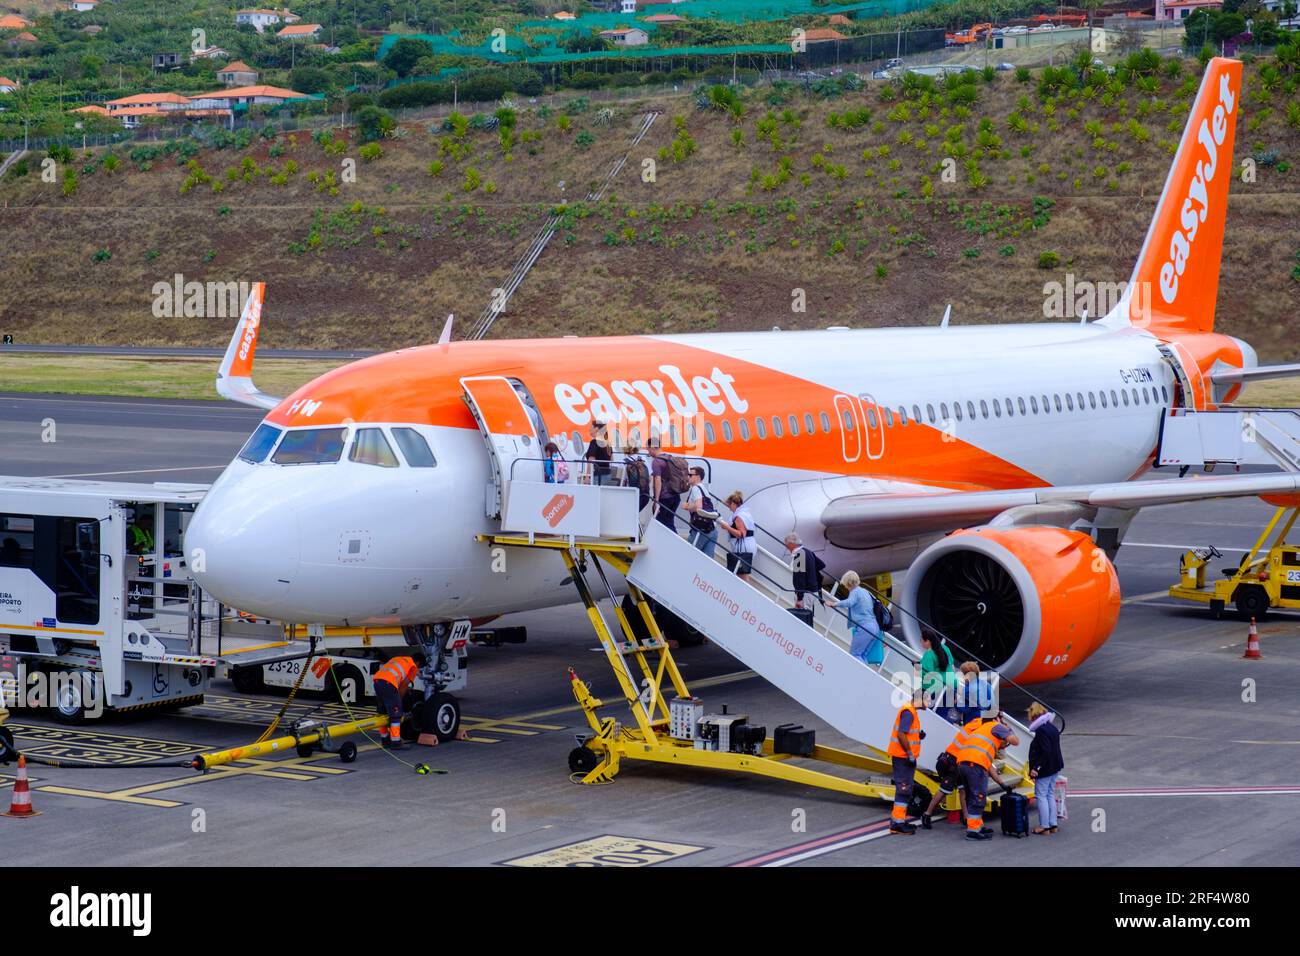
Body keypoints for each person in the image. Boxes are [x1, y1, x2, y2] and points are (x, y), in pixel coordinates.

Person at [954, 712, 1020, 841]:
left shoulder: (983, 730)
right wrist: (1008, 729)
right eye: (1001, 718)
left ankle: (977, 826)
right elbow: (1015, 741)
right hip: (974, 765)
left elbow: (989, 767)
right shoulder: (997, 726)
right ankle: (973, 831)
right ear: (996, 718)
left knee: (972, 797)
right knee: (978, 797)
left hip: (963, 763)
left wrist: (1002, 784)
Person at [887, 694, 926, 835]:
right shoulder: (909, 712)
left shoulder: (911, 711)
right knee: (903, 790)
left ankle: (898, 821)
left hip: (904, 757)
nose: (929, 703)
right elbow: (901, 734)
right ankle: (897, 824)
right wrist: (909, 753)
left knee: (905, 789)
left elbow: (907, 733)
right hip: (903, 757)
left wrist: (917, 736)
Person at [826, 571, 883, 667]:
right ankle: (865, 678)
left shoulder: (855, 592)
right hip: (874, 626)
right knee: (863, 655)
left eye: (845, 584)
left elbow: (849, 602)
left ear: (848, 583)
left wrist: (834, 604)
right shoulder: (864, 591)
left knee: (855, 655)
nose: (845, 587)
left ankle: (863, 677)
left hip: (865, 627)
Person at [1027, 702, 1064, 834]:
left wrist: (1036, 767)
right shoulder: (1051, 727)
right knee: (1049, 794)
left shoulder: (1041, 730)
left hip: (1045, 768)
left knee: (1041, 795)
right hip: (1055, 766)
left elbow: (1045, 751)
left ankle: (1044, 826)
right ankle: (1053, 824)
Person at [372, 655, 420, 750]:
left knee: (382, 713)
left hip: (377, 681)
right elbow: (403, 686)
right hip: (388, 684)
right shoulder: (413, 666)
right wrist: (399, 701)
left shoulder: (397, 658)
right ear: (418, 663)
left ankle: (385, 740)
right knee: (396, 714)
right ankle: (396, 742)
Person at [648, 440, 689, 530]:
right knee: (669, 522)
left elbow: (658, 481)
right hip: (675, 496)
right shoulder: (670, 458)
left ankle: (675, 543)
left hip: (664, 498)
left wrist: (656, 501)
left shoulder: (656, 462)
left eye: (648, 449)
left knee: (661, 523)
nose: (648, 452)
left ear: (652, 447)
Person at [717, 491, 756, 581]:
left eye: (729, 506)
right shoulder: (746, 513)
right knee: (743, 573)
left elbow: (741, 534)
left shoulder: (739, 516)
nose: (730, 509)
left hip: (743, 548)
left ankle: (745, 593)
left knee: (742, 575)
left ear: (734, 504)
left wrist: (727, 527)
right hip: (748, 545)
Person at [683, 467, 719, 557]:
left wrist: (687, 506)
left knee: (689, 556)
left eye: (690, 475)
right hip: (712, 529)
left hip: (700, 530)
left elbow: (699, 507)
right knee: (708, 560)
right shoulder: (704, 489)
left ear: (698, 477)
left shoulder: (695, 488)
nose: (688, 477)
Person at [785, 533, 826, 611]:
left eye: (787, 545)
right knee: (807, 615)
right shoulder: (808, 551)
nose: (787, 548)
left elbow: (799, 579)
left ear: (792, 544)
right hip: (813, 591)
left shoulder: (799, 555)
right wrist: (811, 573)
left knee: (801, 617)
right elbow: (821, 565)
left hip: (805, 594)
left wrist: (799, 598)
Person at [919, 628, 955, 712]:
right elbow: (952, 667)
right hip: (951, 685)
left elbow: (925, 675)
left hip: (936, 688)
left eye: (921, 639)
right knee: (942, 718)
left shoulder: (929, 654)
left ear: (927, 641)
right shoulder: (945, 648)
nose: (920, 641)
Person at [622, 444, 651, 517]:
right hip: (645, 494)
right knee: (634, 515)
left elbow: (622, 481)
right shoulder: (643, 459)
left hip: (632, 495)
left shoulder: (624, 462)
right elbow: (650, 477)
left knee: (629, 516)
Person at [584, 421, 613, 486]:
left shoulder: (594, 442)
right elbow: (611, 459)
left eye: (591, 427)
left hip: (597, 475)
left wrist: (587, 476)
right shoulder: (608, 443)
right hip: (608, 474)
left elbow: (591, 460)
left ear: (596, 429)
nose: (589, 429)